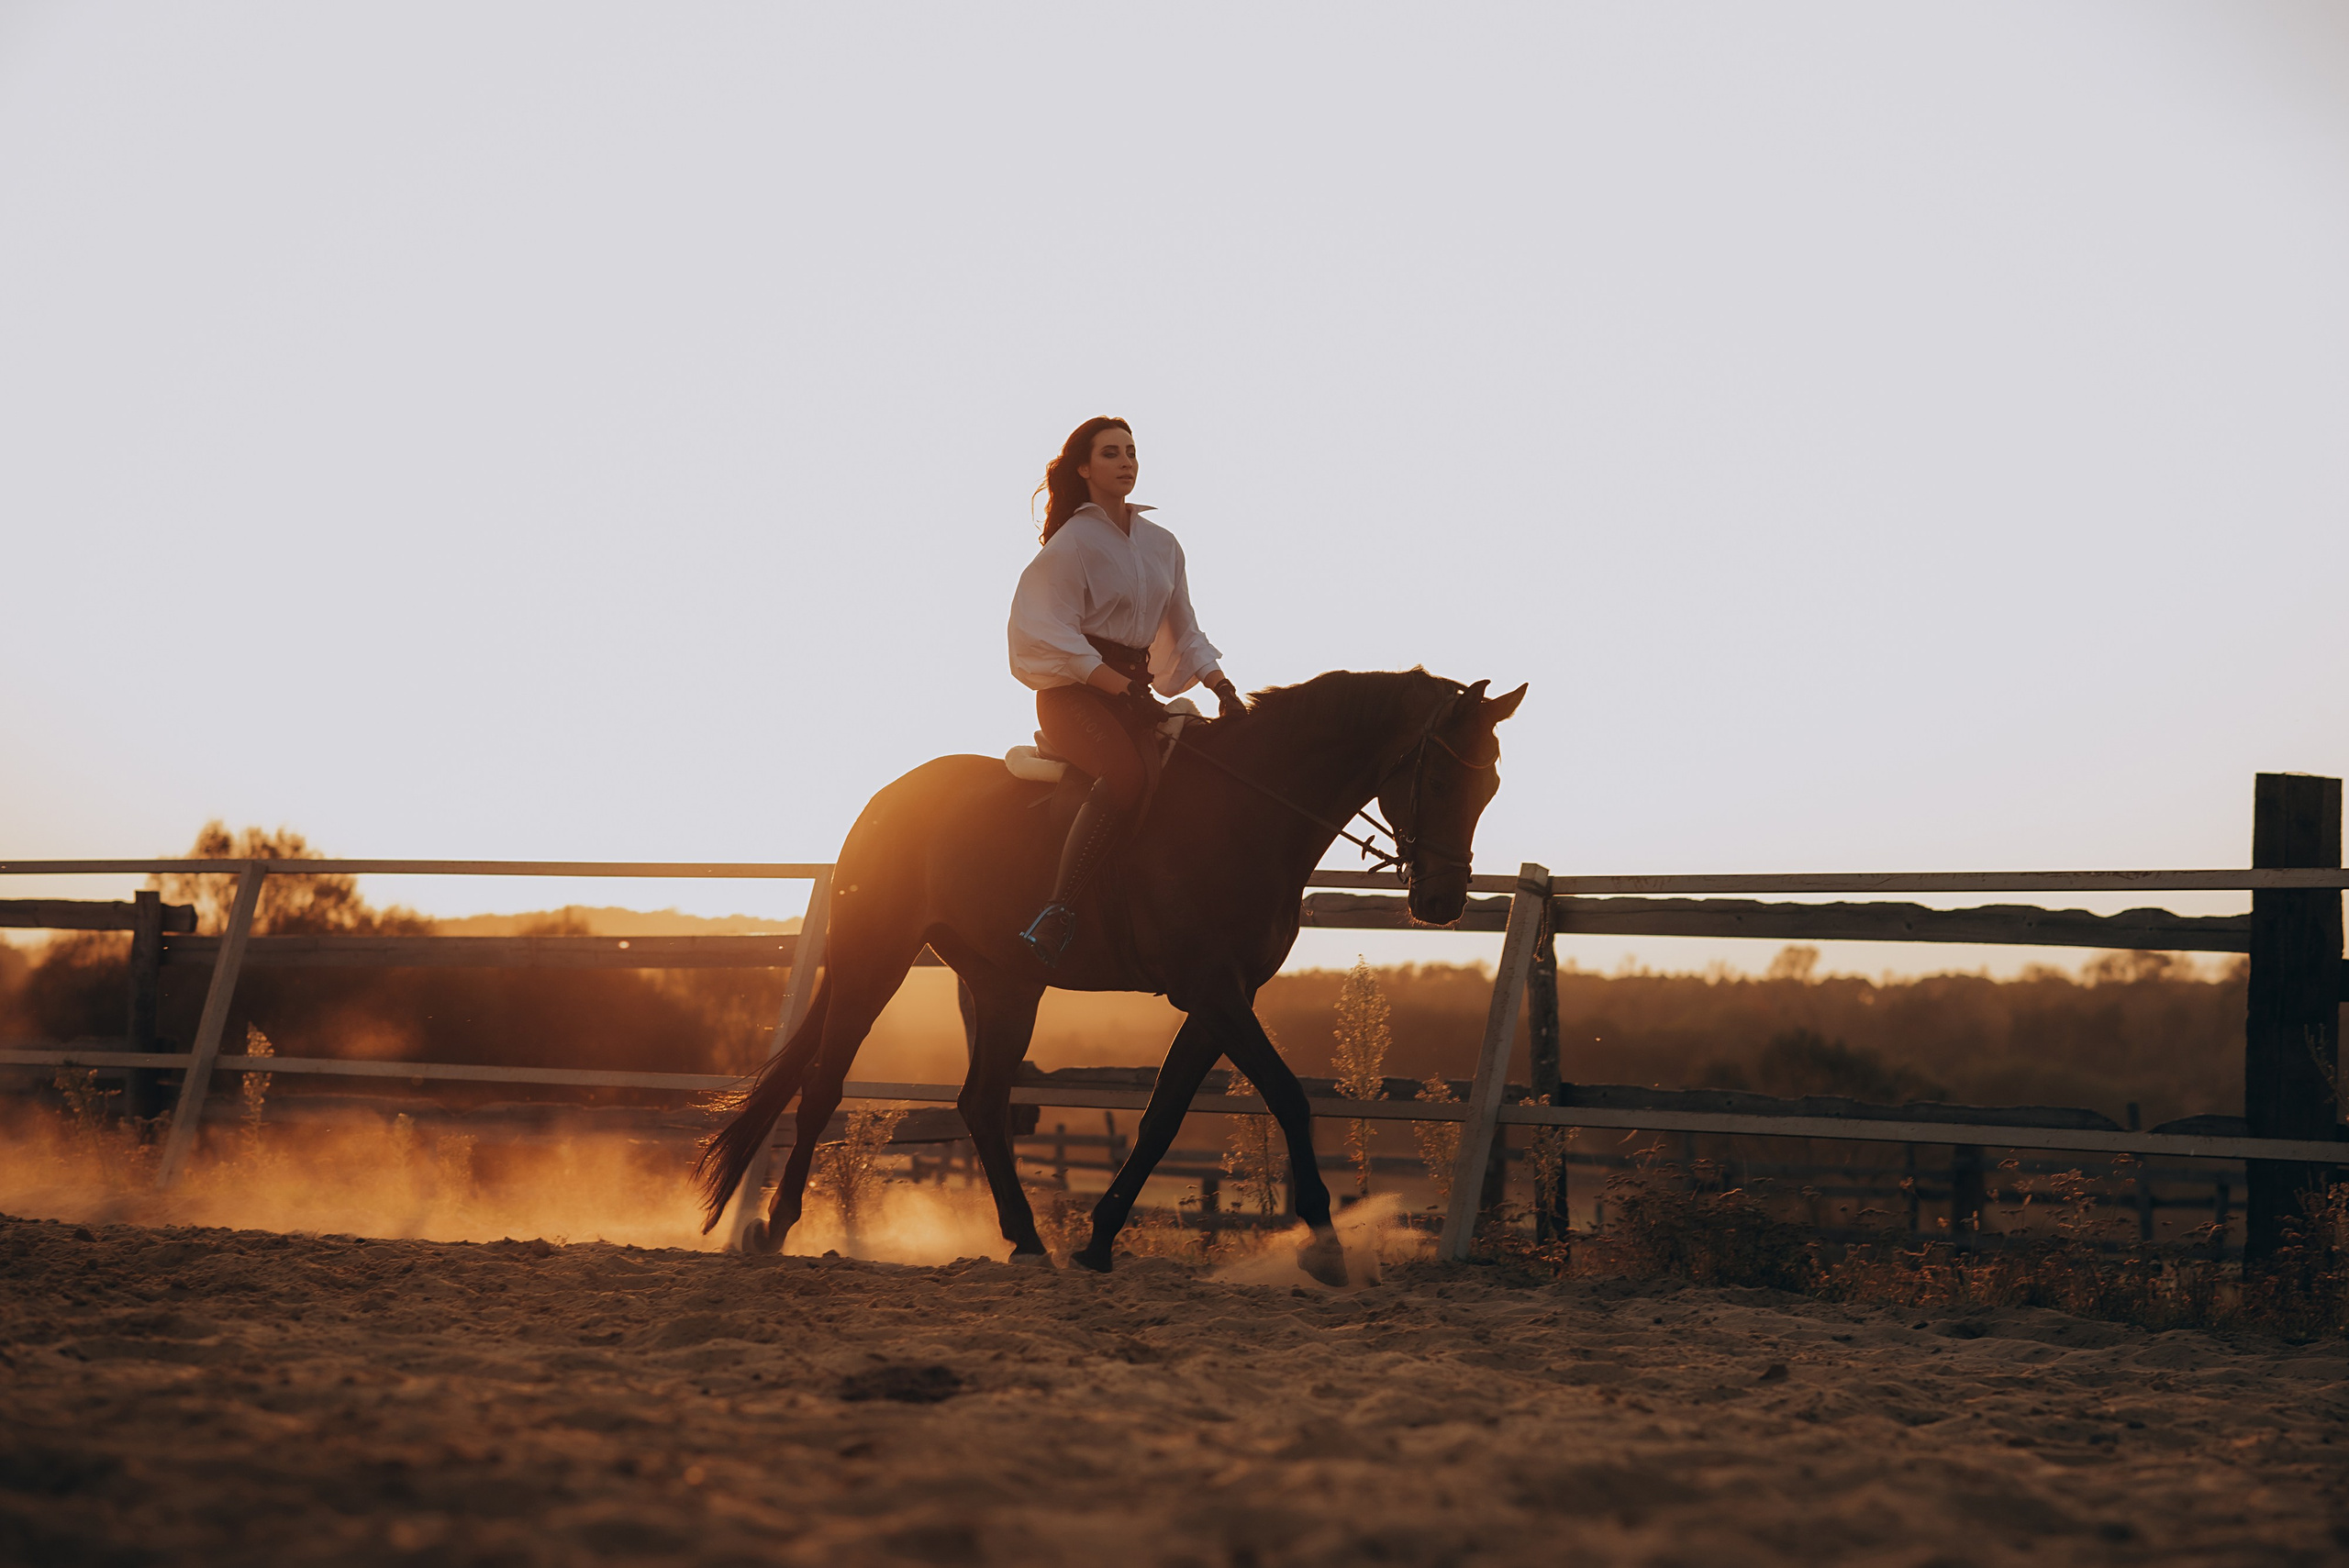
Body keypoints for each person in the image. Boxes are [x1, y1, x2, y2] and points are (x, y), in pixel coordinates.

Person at [1007, 416, 1246, 964]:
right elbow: (1047, 631)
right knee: (1126, 775)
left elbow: (1184, 626)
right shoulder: (1072, 543)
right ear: (1084, 468)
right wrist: (1117, 686)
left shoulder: (1164, 545)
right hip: (1074, 692)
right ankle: (1058, 909)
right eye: (1112, 453)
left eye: (1132, 453)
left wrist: (1221, 684)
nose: (1127, 462)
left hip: (1132, 691)